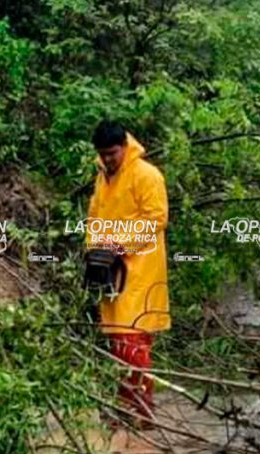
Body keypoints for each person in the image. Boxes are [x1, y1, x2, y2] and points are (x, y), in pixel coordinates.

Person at [87, 120, 170, 425]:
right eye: (103, 154)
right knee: (119, 341)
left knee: (131, 339)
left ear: (124, 146)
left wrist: (120, 246)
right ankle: (128, 405)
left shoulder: (146, 175)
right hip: (109, 270)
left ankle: (142, 409)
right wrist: (93, 251)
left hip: (140, 271)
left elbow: (156, 219)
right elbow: (95, 215)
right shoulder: (103, 177)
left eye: (111, 153)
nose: (107, 159)